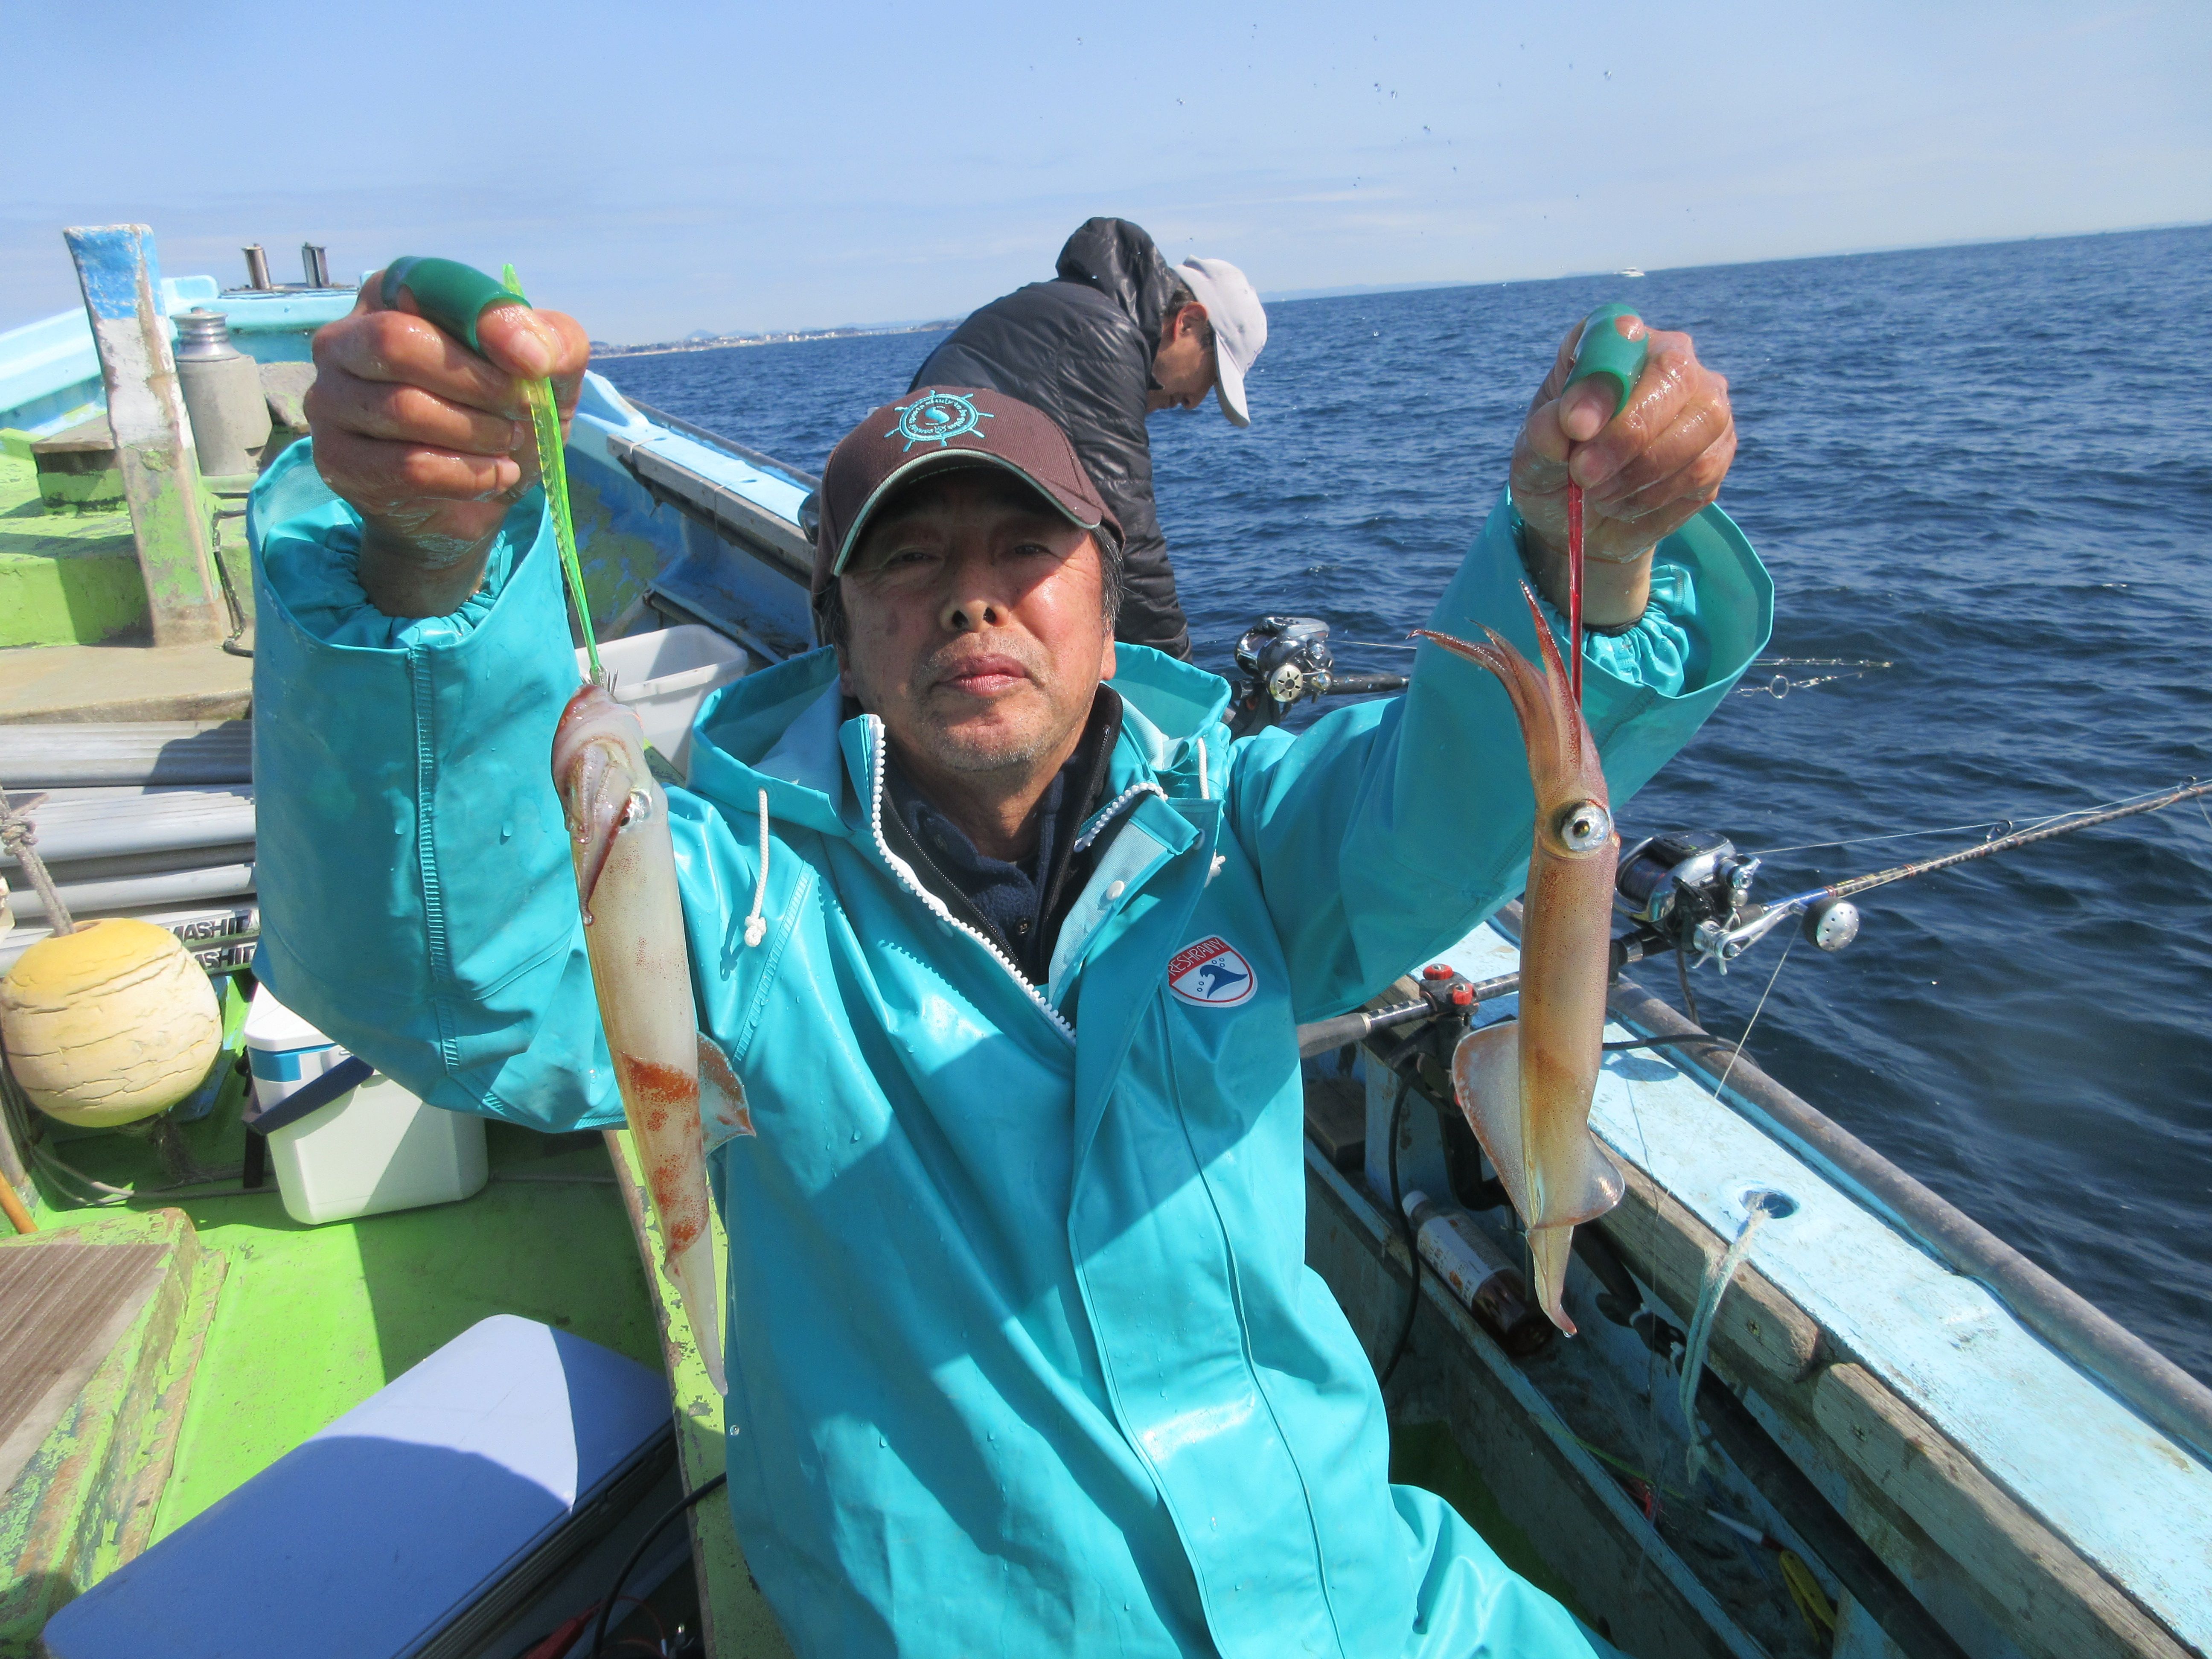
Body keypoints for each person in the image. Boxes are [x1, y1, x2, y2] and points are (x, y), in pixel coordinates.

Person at [271, 276, 1760, 1658]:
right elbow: (459, 974)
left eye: (1025, 551)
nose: (969, 598)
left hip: (1368, 1595)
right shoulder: (725, 900)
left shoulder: (1246, 835)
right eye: (909, 560)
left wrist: (1597, 554)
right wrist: (423, 562)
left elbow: (1467, 797)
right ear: (841, 637)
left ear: (1109, 615)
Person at [908, 216, 1267, 662]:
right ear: (1188, 322)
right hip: (954, 568)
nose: (1195, 402)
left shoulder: (1063, 309)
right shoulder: (1103, 337)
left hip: (933, 551)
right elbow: (1131, 542)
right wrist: (1179, 680)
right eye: (1211, 376)